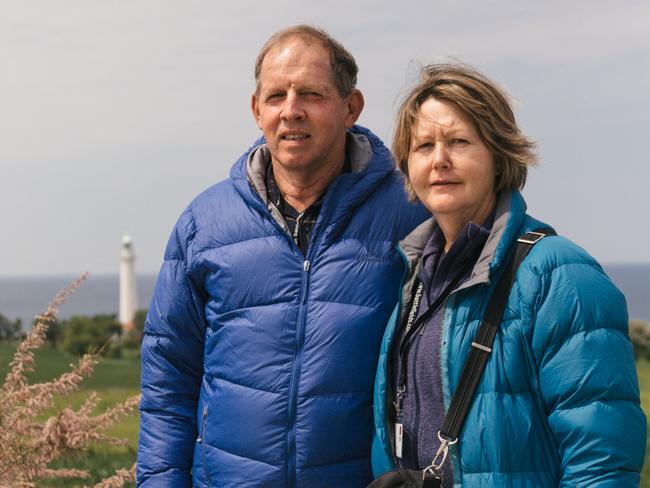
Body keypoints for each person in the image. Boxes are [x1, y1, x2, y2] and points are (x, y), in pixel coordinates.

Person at [136, 25, 428, 488]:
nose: (291, 111)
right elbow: (168, 382)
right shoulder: (204, 224)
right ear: (256, 110)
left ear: (351, 107)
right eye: (276, 96)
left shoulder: (412, 212)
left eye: (311, 94)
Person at [371, 63, 646, 486]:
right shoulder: (413, 280)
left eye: (458, 141)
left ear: (499, 156)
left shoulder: (560, 276)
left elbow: (601, 463)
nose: (440, 159)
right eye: (424, 146)